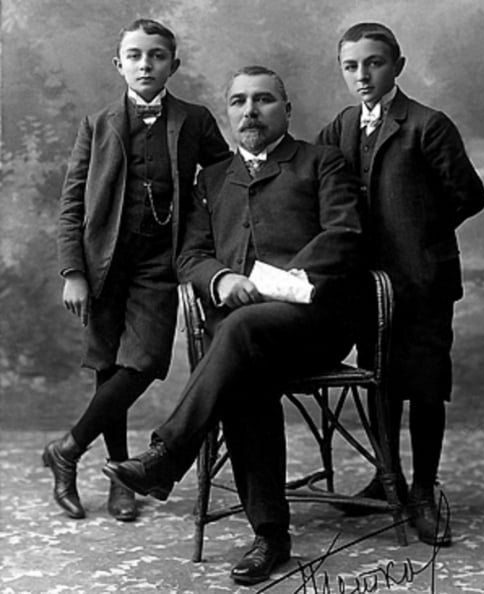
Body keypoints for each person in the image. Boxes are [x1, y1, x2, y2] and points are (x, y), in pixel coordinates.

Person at [103, 65, 364, 585]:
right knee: (243, 369)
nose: (250, 111)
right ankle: (270, 536)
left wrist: (273, 283)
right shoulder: (213, 177)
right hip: (242, 339)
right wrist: (220, 279)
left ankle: (166, 455)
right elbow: (190, 256)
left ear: (286, 110)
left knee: (238, 334)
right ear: (228, 113)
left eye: (263, 99)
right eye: (239, 101)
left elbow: (345, 234)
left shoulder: (320, 162)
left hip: (313, 325)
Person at [42, 18, 230, 523]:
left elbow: (226, 180)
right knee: (109, 366)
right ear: (119, 64)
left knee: (142, 361)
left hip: (160, 261)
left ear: (174, 64)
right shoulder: (98, 123)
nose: (145, 64)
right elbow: (71, 204)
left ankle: (67, 448)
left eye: (157, 56)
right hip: (104, 260)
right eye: (135, 56)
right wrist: (73, 272)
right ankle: (119, 478)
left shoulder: (194, 120)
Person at [316, 22, 484, 546]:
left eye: (374, 63)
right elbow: (321, 185)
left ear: (397, 66)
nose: (363, 75)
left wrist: (417, 233)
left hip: (424, 282)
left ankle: (422, 491)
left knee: (426, 387)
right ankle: (386, 477)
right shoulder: (343, 126)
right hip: (370, 288)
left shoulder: (427, 125)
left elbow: (470, 195)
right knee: (381, 381)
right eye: (351, 66)